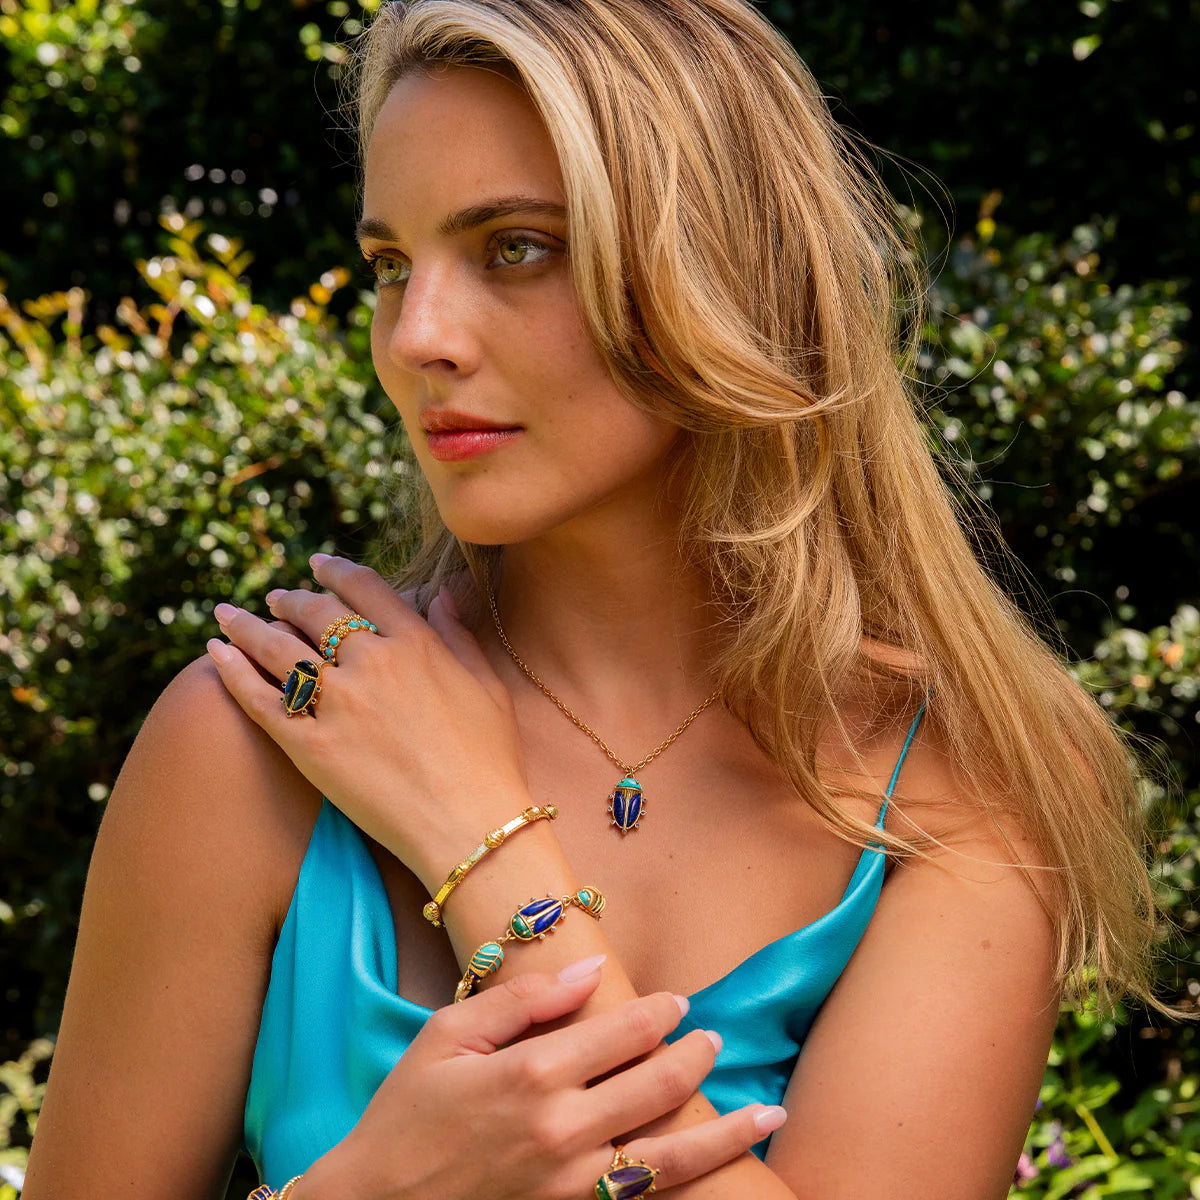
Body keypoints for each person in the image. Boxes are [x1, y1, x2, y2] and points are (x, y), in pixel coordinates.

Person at [22, 0, 1187, 1197]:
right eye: (388, 265)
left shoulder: (961, 790)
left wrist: (483, 843)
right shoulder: (257, 742)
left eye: (515, 247)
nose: (416, 334)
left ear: (722, 269)